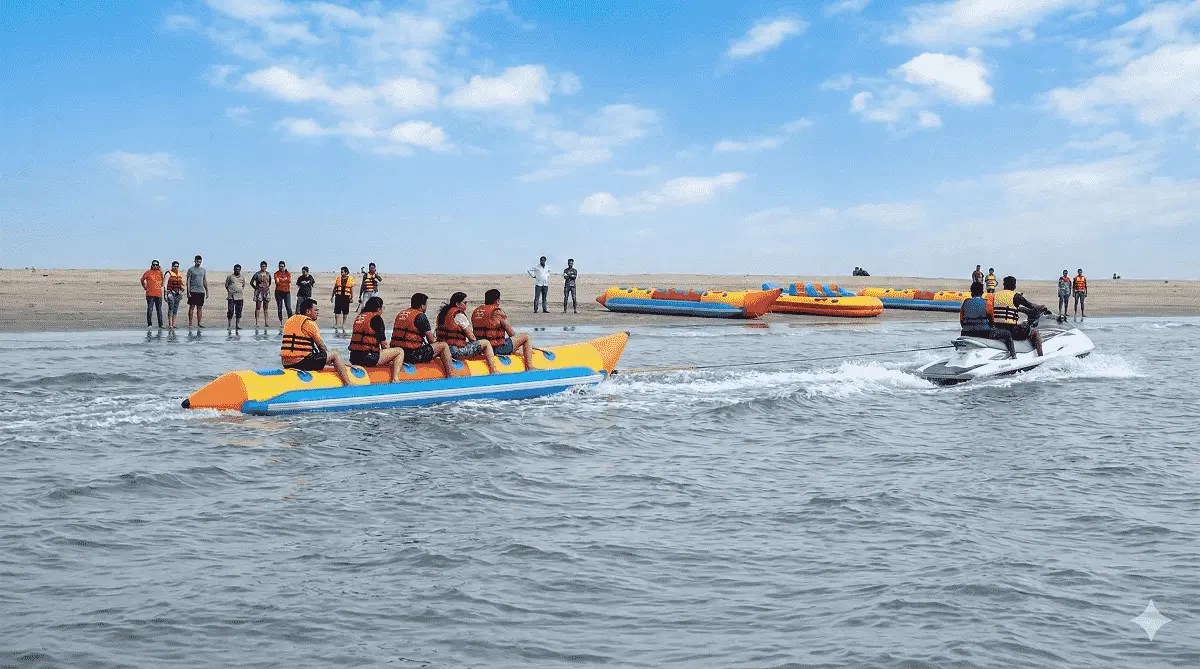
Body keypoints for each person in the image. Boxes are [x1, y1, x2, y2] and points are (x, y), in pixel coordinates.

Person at [281, 298, 353, 385]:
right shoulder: (309, 323)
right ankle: (348, 383)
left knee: (325, 357)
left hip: (286, 363)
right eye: (316, 310)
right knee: (335, 354)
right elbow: (322, 347)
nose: (318, 313)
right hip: (301, 362)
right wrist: (332, 360)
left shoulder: (290, 321)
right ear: (308, 311)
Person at [391, 293, 458, 377]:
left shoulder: (401, 314)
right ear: (422, 306)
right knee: (443, 345)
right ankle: (451, 374)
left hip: (398, 353)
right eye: (426, 304)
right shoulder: (420, 316)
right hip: (412, 355)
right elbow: (431, 340)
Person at [436, 292, 499, 374]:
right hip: (456, 351)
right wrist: (478, 348)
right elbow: (471, 337)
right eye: (464, 303)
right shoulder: (459, 315)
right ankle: (493, 370)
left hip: (443, 351)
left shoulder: (442, 314)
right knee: (486, 343)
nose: (466, 306)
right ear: (457, 304)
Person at [472, 289, 535, 370]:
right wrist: (518, 346)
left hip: (481, 348)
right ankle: (529, 367)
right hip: (497, 349)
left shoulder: (477, 311)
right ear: (497, 301)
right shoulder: (497, 312)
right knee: (526, 336)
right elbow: (511, 333)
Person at [348, 296, 405, 381]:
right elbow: (384, 344)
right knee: (399, 351)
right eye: (382, 308)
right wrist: (390, 358)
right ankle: (395, 379)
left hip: (354, 357)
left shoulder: (360, 317)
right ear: (378, 309)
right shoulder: (376, 318)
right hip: (368, 358)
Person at [991, 276, 1049, 357]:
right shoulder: (1016, 296)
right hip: (1012, 330)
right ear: (1014, 286)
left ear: (1004, 285)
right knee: (1035, 332)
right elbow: (1032, 306)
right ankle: (1041, 357)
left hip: (996, 329)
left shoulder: (994, 295)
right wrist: (1042, 307)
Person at [959, 281, 1014, 357]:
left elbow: (961, 321)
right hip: (983, 333)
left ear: (971, 292)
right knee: (1007, 334)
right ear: (982, 292)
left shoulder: (965, 302)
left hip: (966, 332)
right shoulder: (987, 303)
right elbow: (992, 320)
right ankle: (1013, 356)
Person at [140, 260, 164, 329]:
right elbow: (142, 280)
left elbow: (163, 280)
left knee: (159, 309)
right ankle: (149, 324)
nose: (155, 266)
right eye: (154, 265)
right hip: (150, 294)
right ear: (152, 265)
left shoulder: (160, 273)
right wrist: (145, 287)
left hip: (158, 294)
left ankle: (160, 324)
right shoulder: (148, 272)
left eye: (157, 265)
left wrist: (161, 270)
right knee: (150, 309)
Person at [186, 255, 208, 328]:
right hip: (193, 291)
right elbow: (188, 281)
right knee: (192, 307)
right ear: (195, 261)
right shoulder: (191, 270)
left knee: (199, 307)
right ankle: (190, 323)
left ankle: (199, 323)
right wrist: (188, 292)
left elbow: (204, 280)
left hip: (201, 291)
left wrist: (207, 290)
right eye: (197, 261)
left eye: (200, 262)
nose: (199, 263)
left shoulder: (203, 270)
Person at [250, 261, 273, 328]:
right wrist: (256, 288)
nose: (263, 267)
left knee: (266, 308)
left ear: (266, 267)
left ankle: (266, 323)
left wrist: (267, 287)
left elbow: (270, 282)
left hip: (266, 292)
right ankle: (257, 323)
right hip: (259, 292)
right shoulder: (257, 274)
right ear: (260, 266)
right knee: (258, 307)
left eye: (265, 266)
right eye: (262, 266)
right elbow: (251, 282)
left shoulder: (268, 274)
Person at [331, 266, 354, 332]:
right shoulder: (338, 279)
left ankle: (344, 324)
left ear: (346, 272)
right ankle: (336, 324)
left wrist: (351, 297)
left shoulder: (350, 279)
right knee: (337, 311)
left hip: (346, 297)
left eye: (342, 272)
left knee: (345, 311)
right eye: (341, 272)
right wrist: (332, 296)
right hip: (338, 296)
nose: (341, 273)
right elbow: (335, 288)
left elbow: (351, 289)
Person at [164, 260, 185, 330]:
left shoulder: (178, 274)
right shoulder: (168, 274)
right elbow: (165, 285)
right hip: (170, 293)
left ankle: (173, 324)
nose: (176, 268)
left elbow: (179, 284)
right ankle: (170, 324)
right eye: (174, 266)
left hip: (178, 293)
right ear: (172, 266)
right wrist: (165, 295)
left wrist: (181, 288)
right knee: (171, 308)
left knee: (175, 309)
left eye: (177, 266)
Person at [225, 264, 246, 332]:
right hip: (231, 297)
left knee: (238, 312)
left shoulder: (242, 277)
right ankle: (229, 325)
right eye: (236, 269)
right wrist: (230, 291)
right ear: (234, 269)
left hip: (240, 297)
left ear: (240, 270)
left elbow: (243, 285)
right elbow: (226, 285)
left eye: (238, 269)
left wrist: (239, 290)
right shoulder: (230, 277)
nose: (237, 270)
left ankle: (237, 325)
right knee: (230, 311)